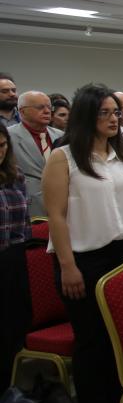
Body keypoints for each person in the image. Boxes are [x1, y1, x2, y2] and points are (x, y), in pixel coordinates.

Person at [41, 83, 123, 403]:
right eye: (104, 113)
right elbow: (56, 215)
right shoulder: (64, 157)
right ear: (86, 116)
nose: (113, 119)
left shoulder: (119, 153)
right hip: (83, 257)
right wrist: (67, 264)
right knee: (93, 338)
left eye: (115, 112)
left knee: (121, 335)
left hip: (122, 253)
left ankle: (122, 402)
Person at [0, 123, 32, 387]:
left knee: (13, 328)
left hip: (14, 259)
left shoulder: (14, 175)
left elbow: (25, 221)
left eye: (2, 145)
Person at [9, 90, 63, 217]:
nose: (47, 111)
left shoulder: (62, 136)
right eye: (40, 107)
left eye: (49, 107)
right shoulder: (8, 136)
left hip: (62, 205)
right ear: (22, 111)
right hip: (26, 209)